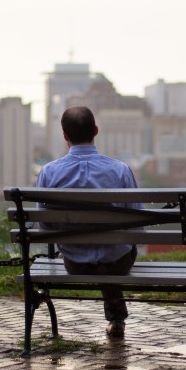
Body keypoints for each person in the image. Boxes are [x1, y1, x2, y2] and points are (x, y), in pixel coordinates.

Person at [36, 106, 141, 338]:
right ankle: (116, 318)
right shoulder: (120, 170)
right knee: (114, 253)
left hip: (75, 262)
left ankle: (116, 318)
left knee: (100, 252)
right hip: (117, 262)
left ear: (65, 136)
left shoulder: (48, 173)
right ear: (95, 130)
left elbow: (45, 226)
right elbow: (137, 222)